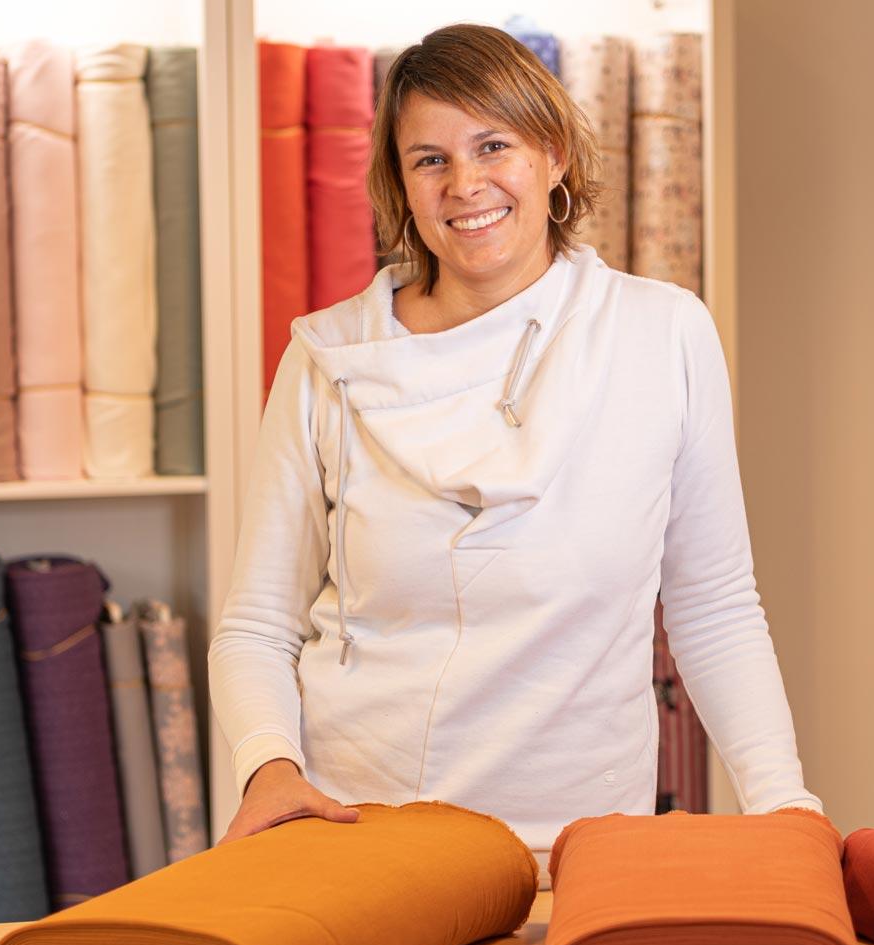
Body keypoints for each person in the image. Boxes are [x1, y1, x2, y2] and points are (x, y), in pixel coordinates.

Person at [208, 23, 822, 884]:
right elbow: (257, 624)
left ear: (553, 153)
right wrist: (269, 765)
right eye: (430, 160)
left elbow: (713, 607)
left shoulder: (662, 334)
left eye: (493, 146)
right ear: (401, 185)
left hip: (581, 851)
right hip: (362, 844)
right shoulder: (327, 358)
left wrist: (784, 802)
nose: (465, 185)